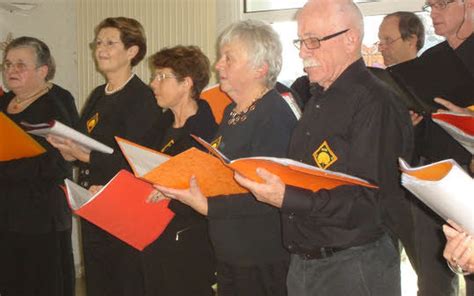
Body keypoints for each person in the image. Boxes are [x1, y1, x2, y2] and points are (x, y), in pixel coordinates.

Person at [233, 1, 414, 295]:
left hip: (353, 267)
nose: (303, 51)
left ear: (350, 39)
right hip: (305, 264)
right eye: (301, 41)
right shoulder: (319, 98)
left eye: (313, 41)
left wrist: (286, 197)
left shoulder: (375, 103)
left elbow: (373, 203)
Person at [154, 19, 298, 296]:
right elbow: (221, 174)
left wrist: (208, 206)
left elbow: (271, 196)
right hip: (231, 251)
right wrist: (178, 185)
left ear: (260, 68)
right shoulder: (234, 111)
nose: (218, 65)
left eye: (228, 58)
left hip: (260, 257)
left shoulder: (273, 114)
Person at [48, 17, 162, 296]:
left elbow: (139, 160)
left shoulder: (142, 98)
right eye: (98, 42)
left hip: (122, 204)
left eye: (110, 43)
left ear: (132, 51)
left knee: (123, 279)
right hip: (92, 200)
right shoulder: (100, 93)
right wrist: (66, 146)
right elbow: (84, 142)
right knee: (98, 279)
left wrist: (86, 158)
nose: (101, 49)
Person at [0, 36, 79, 296]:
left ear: (43, 70)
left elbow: (60, 162)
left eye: (20, 64)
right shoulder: (3, 103)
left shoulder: (57, 101)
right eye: (8, 63)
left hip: (41, 218)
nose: (11, 70)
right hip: (6, 213)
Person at [143, 45, 217, 295]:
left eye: (162, 77)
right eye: (155, 76)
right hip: (152, 236)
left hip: (187, 245)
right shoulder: (159, 125)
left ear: (186, 83)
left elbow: (210, 192)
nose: (153, 83)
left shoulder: (207, 133)